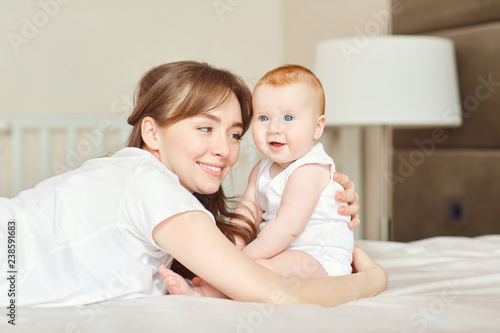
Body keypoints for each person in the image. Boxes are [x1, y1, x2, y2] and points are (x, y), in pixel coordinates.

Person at [0, 61, 386, 308]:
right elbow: (280, 294)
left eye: (235, 135)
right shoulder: (152, 188)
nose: (224, 149)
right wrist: (371, 281)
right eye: (205, 128)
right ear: (151, 133)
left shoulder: (139, 179)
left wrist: (317, 196)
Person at [159, 64, 354, 298]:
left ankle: (203, 294)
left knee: (259, 272)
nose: (274, 128)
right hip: (279, 249)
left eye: (289, 117)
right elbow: (247, 212)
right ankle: (206, 287)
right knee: (250, 269)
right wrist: (233, 245)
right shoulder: (261, 169)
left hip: (319, 258)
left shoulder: (310, 169)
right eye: (263, 118)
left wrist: (242, 258)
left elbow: (287, 227)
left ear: (317, 127)